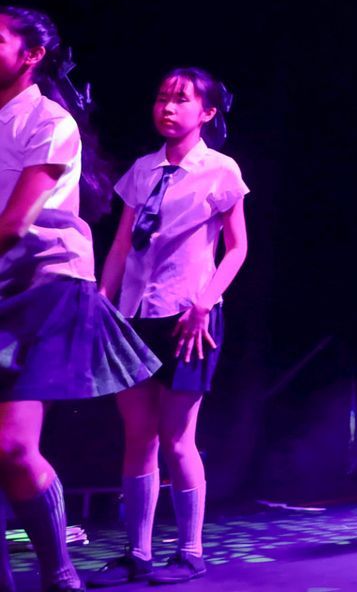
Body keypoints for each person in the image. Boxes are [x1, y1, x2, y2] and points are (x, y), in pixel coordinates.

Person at [0, 7, 158, 592]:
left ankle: (59, 573)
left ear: (31, 54)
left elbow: (15, 224)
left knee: (12, 445)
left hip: (41, 287)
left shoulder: (48, 122)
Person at [88, 69, 249, 586]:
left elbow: (237, 247)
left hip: (188, 318)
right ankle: (137, 553)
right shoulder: (141, 170)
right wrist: (103, 299)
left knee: (178, 438)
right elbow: (119, 245)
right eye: (161, 98)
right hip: (134, 317)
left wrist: (205, 302)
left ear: (207, 113)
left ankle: (191, 550)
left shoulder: (220, 170)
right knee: (138, 436)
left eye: (181, 100)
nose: (168, 107)